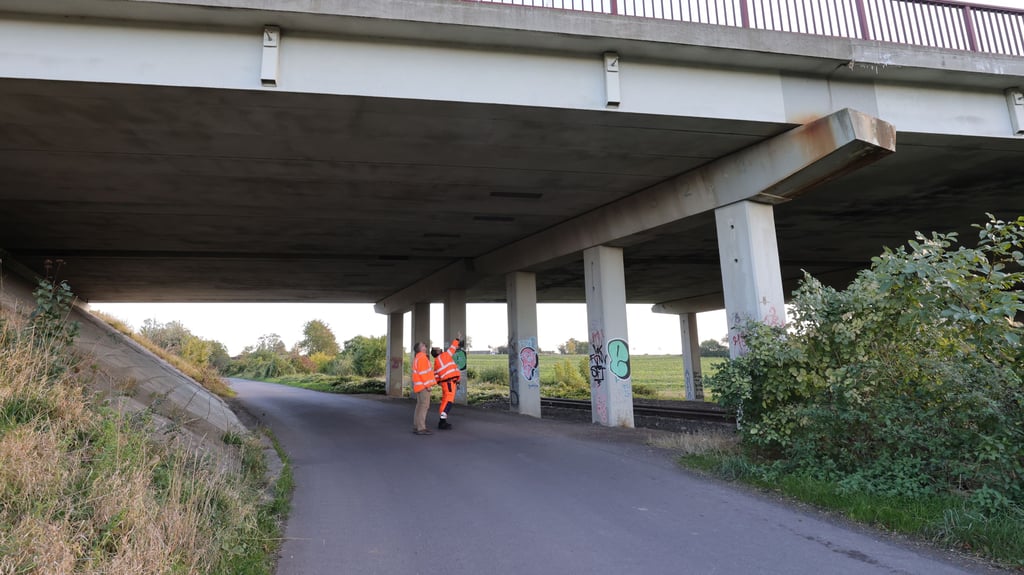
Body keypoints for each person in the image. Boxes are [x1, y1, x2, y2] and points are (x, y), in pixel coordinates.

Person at [431, 334, 463, 430]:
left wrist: (439, 382)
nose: (440, 348)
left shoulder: (436, 362)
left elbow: (436, 374)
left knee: (445, 400)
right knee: (449, 401)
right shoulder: (445, 355)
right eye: (438, 348)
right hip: (449, 383)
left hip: (446, 383)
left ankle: (442, 420)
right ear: (437, 352)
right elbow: (453, 348)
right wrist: (457, 339)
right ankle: (442, 421)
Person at [411, 341, 437, 435]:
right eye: (423, 345)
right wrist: (428, 385)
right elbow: (423, 374)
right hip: (423, 386)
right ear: (420, 349)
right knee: (424, 406)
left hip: (419, 386)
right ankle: (421, 428)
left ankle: (416, 426)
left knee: (419, 406)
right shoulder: (422, 358)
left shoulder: (417, 358)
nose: (425, 346)